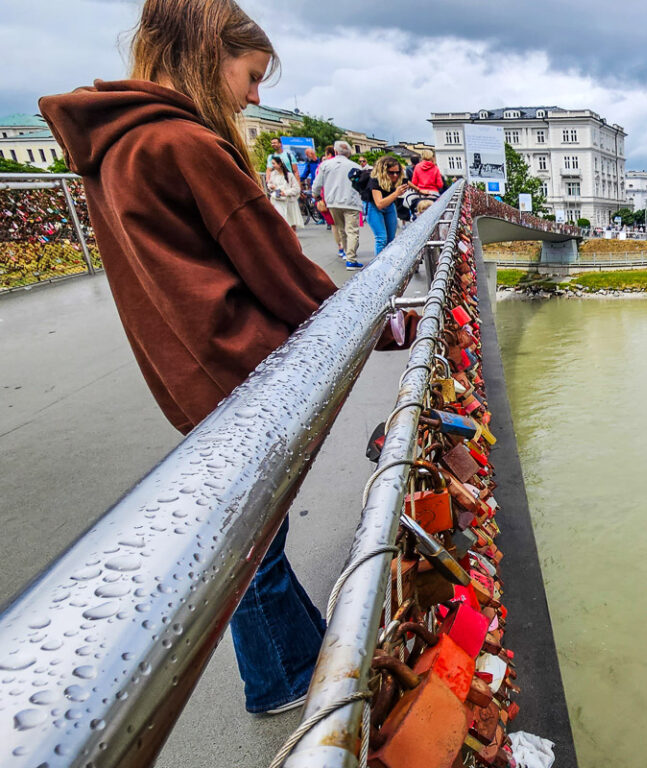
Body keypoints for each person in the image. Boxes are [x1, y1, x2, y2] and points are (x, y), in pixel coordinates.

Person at [39, 0, 336, 716]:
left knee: (252, 528)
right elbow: (274, 262)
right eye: (252, 74)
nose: (256, 96)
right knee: (251, 545)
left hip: (184, 372)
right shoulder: (184, 143)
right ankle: (282, 681)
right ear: (210, 56)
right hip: (239, 364)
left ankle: (302, 655)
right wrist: (357, 315)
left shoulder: (112, 148)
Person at [313, 140, 363, 269]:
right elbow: (361, 185)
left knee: (341, 229)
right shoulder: (355, 166)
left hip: (333, 201)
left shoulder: (325, 165)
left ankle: (346, 253)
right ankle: (351, 258)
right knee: (352, 230)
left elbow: (317, 183)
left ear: (335, 152)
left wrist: (316, 195)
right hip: (351, 202)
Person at [365, 156, 408, 254]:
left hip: (389, 205)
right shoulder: (375, 180)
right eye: (391, 173)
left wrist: (418, 190)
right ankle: (379, 266)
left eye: (397, 172)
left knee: (391, 239)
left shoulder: (397, 179)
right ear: (383, 172)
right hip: (374, 207)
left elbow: (408, 181)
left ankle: (389, 261)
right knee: (381, 238)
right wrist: (396, 193)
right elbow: (379, 204)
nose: (395, 175)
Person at [267, 155, 302, 230]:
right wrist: (271, 186)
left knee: (291, 222)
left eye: (274, 163)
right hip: (278, 201)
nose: (272, 166)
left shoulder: (289, 175)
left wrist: (285, 192)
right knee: (281, 222)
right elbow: (269, 184)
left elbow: (297, 189)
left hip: (289, 202)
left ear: (279, 164)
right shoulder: (273, 174)